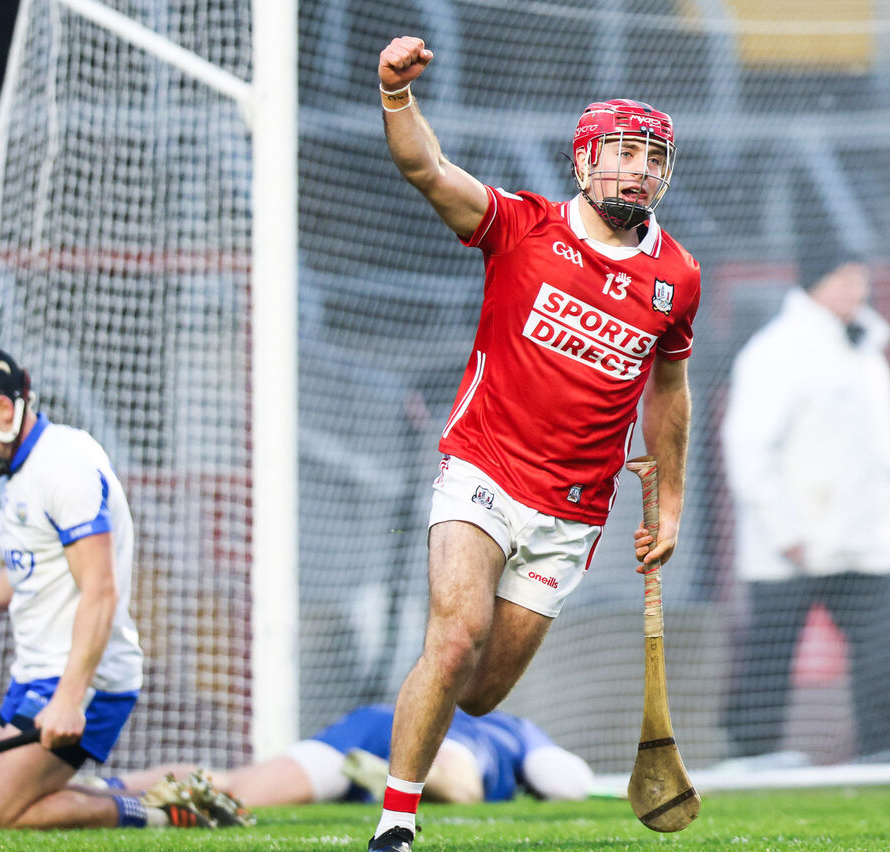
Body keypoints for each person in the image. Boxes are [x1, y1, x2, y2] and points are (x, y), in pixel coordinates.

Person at [367, 37, 701, 851]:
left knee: (477, 692)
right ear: (585, 161)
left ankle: (458, 741)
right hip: (481, 468)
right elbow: (429, 173)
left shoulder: (677, 278)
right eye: (623, 153)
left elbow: (668, 390)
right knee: (453, 640)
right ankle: (395, 825)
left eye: (653, 158)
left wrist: (675, 504)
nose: (639, 171)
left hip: (573, 510)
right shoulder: (523, 227)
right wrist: (394, 96)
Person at [0, 349, 245, 831]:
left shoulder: (64, 467)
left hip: (86, 679)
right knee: (14, 805)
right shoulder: (15, 476)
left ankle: (161, 814)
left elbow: (100, 590)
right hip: (37, 672)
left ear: (3, 410)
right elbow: (36, 576)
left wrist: (69, 696)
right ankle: (176, 783)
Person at [721, 257, 890, 761]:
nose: (855, 289)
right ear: (816, 282)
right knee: (770, 656)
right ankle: (751, 758)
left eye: (860, 277)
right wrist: (785, 529)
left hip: (862, 543)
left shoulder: (867, 347)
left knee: (881, 649)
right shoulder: (776, 351)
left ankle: (879, 753)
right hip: (789, 547)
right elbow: (748, 446)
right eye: (843, 277)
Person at [107, 705, 593, 808]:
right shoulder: (518, 734)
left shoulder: (513, 728)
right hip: (432, 743)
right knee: (464, 788)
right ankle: (396, 778)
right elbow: (569, 782)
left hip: (376, 726)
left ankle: (105, 788)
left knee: (235, 788)